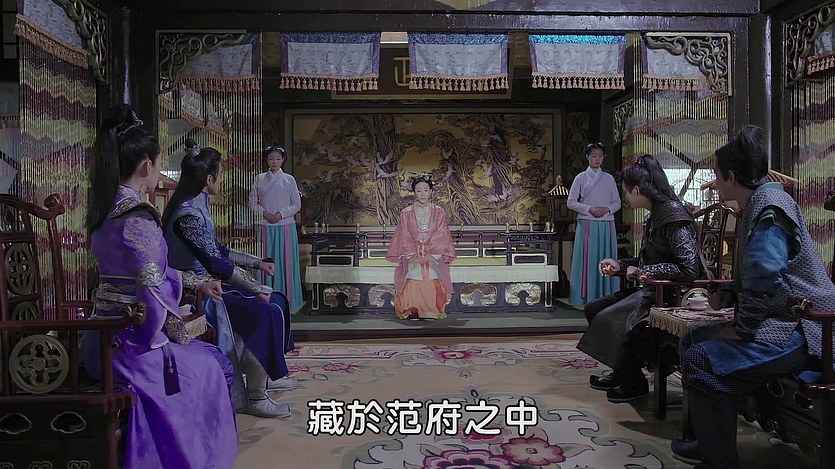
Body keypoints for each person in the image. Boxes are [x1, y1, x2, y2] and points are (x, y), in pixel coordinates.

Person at [82, 105, 237, 468]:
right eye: (159, 163)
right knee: (214, 363)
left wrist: (197, 281)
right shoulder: (137, 217)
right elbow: (151, 292)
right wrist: (180, 332)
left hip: (100, 337)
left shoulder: (105, 209)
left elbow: (149, 276)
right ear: (146, 166)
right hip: (131, 346)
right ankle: (193, 456)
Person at [671, 126, 835, 468]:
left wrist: (742, 330)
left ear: (732, 177)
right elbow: (756, 272)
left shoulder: (771, 205)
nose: (715, 184)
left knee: (702, 359)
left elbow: (764, 274)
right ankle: (708, 442)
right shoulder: (757, 203)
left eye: (717, 176)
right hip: (780, 319)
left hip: (800, 328)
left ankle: (719, 460)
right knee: (693, 341)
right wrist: (727, 295)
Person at [162, 139, 297, 419]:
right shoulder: (188, 215)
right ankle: (256, 396)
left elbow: (219, 250)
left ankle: (270, 373)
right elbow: (216, 263)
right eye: (220, 175)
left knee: (279, 300)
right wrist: (255, 287)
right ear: (209, 179)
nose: (221, 180)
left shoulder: (198, 205)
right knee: (266, 311)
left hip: (211, 285)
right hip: (196, 294)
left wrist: (258, 263)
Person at [577, 154, 704, 402]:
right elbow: (647, 261)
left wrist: (646, 272)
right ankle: (625, 372)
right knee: (594, 309)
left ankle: (633, 382)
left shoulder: (673, 217)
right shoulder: (654, 215)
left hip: (668, 295)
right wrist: (622, 265)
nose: (625, 197)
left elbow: (690, 269)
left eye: (626, 191)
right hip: (651, 290)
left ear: (637, 190)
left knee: (610, 316)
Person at [385, 172, 456, 320]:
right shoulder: (406, 213)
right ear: (414, 192)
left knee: (432, 272)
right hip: (413, 254)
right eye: (418, 190)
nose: (422, 194)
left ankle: (431, 309)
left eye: (425, 190)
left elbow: (442, 233)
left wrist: (431, 253)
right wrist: (412, 253)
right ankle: (411, 308)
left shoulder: (439, 212)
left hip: (433, 255)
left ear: (431, 191)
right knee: (413, 272)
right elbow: (403, 234)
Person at [248, 144, 304, 310]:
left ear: (283, 160)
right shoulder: (259, 178)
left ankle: (288, 301)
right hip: (265, 225)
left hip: (285, 226)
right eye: (271, 159)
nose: (274, 162)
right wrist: (265, 213)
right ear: (266, 160)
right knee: (265, 259)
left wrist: (280, 214)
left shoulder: (289, 179)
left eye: (278, 159)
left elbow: (296, 204)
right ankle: (265, 299)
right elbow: (252, 203)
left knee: (285, 261)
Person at [567, 142, 621, 305]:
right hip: (587, 224)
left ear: (604, 157)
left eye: (600, 156)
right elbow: (571, 202)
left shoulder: (609, 178)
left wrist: (607, 209)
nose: (597, 159)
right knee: (587, 259)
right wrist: (589, 209)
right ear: (587, 157)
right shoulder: (581, 178)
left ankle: (607, 295)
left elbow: (617, 202)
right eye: (593, 156)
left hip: (606, 223)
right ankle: (584, 296)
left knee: (606, 257)